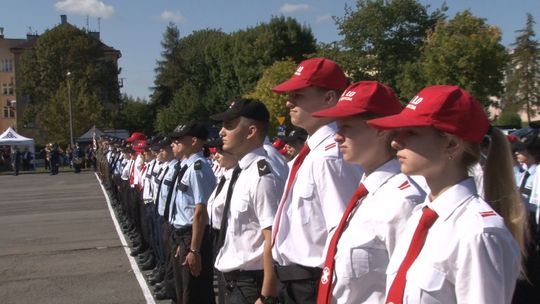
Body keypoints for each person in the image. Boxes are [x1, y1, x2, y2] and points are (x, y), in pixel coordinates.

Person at [367, 85, 526, 304]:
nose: (395, 142)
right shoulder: (420, 217)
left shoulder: (476, 233)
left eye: (411, 132)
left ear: (451, 144)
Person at [311, 81, 426, 303]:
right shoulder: (365, 195)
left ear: (380, 130)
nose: (336, 136)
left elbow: (407, 291)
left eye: (346, 127)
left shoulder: (403, 202)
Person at [271, 57, 363, 303]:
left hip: (311, 283)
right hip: (294, 280)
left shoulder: (331, 155)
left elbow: (343, 233)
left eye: (299, 95)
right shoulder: (313, 151)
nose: (289, 102)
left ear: (330, 98)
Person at [211, 99, 284, 304]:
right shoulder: (242, 171)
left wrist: (267, 295)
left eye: (230, 125)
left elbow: (272, 237)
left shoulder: (262, 174)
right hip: (234, 281)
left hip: (250, 284)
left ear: (251, 131)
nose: (221, 132)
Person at [168, 122, 216, 304]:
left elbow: (200, 211)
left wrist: (194, 249)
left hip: (193, 236)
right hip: (184, 235)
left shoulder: (198, 168)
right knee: (184, 292)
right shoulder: (187, 166)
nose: (174, 143)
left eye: (179, 140)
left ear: (194, 141)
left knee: (195, 293)